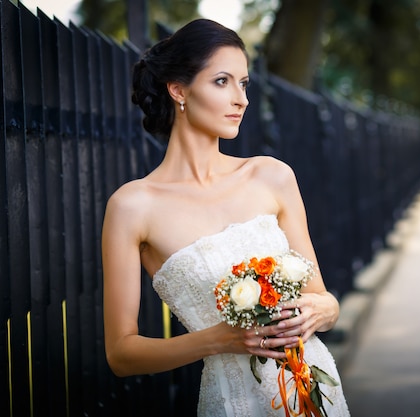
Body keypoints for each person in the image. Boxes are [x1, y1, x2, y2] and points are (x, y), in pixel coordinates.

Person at [102, 18, 350, 416]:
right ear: (178, 90)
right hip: (234, 402)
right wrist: (220, 339)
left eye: (244, 83)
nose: (242, 99)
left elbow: (322, 299)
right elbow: (121, 353)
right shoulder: (133, 206)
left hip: (314, 390)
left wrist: (326, 309)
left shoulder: (272, 176)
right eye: (222, 81)